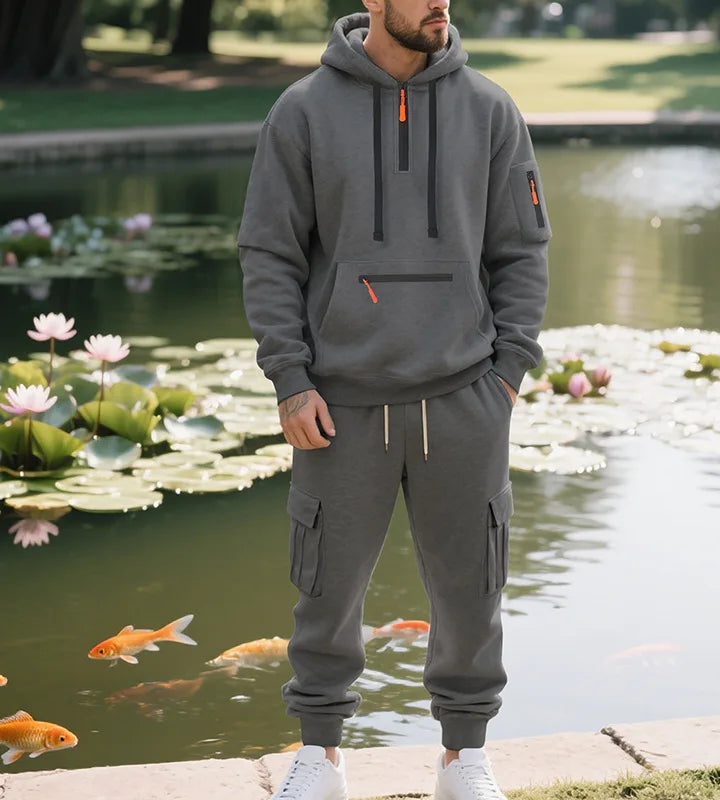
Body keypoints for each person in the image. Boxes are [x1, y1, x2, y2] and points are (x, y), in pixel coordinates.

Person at [237, 2, 551, 799]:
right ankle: (321, 758)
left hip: (463, 396)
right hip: (340, 403)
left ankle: (465, 760)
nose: (439, 3)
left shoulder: (489, 108)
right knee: (325, 589)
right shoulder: (303, 111)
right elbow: (269, 251)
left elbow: (523, 249)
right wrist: (291, 378)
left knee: (473, 589)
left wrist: (508, 370)